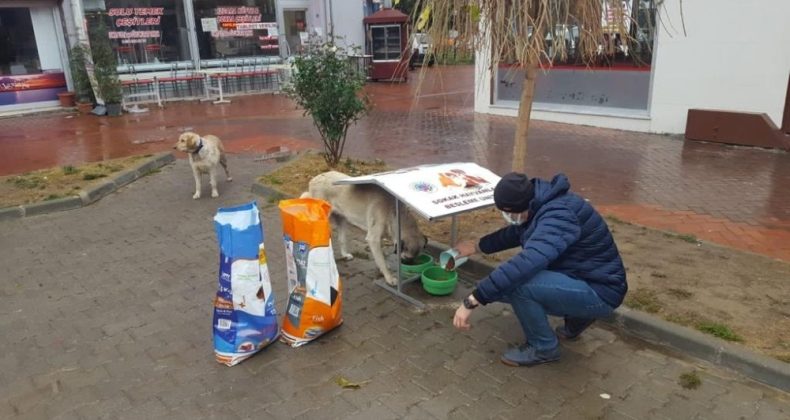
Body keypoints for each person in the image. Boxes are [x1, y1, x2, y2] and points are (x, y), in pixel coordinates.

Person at [452, 172, 627, 367]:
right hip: (587, 277)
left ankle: (543, 348)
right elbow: (516, 233)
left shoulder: (558, 217)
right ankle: (576, 323)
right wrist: (477, 246)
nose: (507, 217)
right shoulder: (540, 203)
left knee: (520, 286)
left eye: (507, 213)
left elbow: (527, 262)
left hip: (600, 292)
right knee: (502, 288)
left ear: (517, 208)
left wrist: (473, 299)